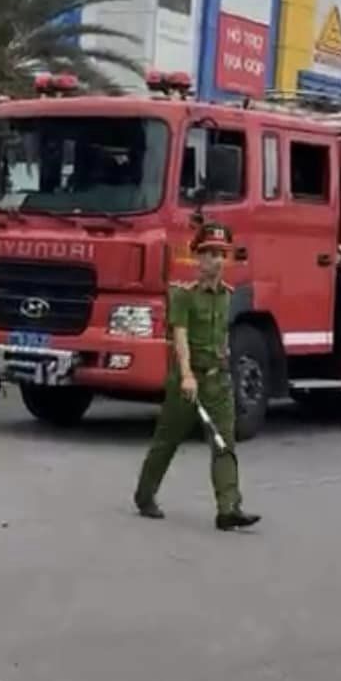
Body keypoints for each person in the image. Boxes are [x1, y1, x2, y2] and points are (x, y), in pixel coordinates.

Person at [133, 221, 260, 531]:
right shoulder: (184, 295)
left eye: (221, 254)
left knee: (223, 444)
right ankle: (144, 495)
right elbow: (180, 337)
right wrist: (187, 375)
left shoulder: (229, 296)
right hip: (187, 382)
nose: (216, 260)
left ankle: (229, 508)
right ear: (198, 259)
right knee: (167, 442)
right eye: (210, 254)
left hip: (218, 381)